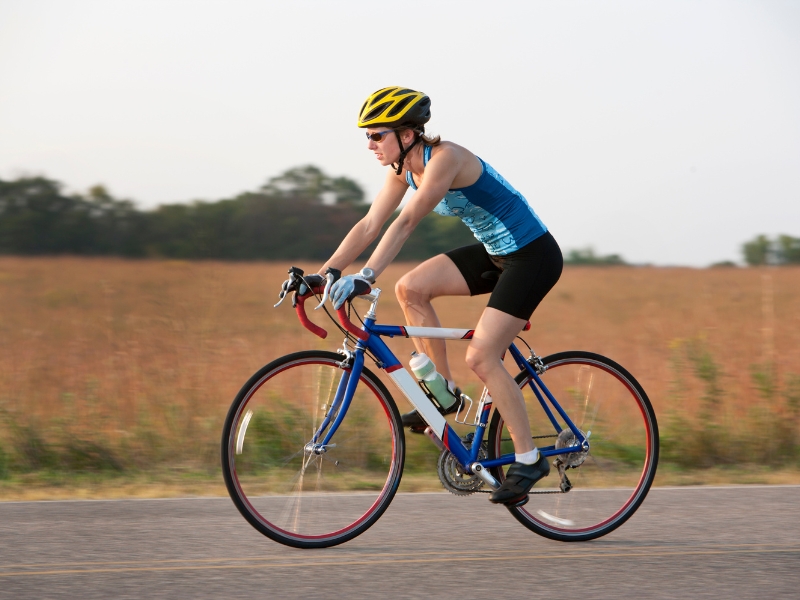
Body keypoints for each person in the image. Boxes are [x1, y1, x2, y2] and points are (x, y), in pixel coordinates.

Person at [305, 86, 562, 506]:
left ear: (407, 135)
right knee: (410, 289)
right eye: (367, 136)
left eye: (377, 135)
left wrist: (366, 276)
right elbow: (371, 224)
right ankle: (443, 394)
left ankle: (528, 459)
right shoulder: (401, 170)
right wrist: (326, 272)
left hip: (532, 256)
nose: (370, 144)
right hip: (495, 254)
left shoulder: (446, 159)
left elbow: (406, 222)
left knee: (482, 357)